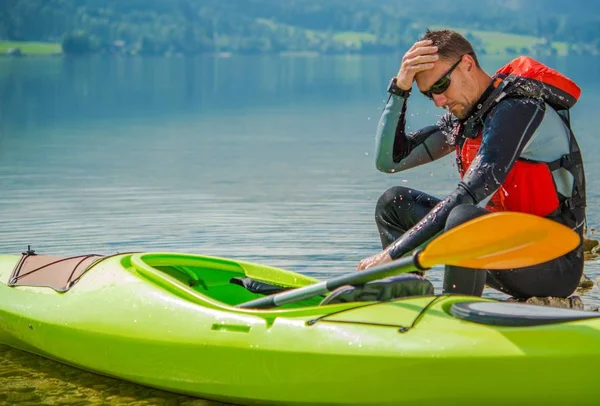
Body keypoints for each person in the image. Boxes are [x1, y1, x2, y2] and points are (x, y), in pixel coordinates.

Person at [356, 29, 586, 299]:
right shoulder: (467, 118)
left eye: (441, 86)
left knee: (463, 217)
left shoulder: (519, 108)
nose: (439, 101)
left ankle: (459, 312)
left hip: (552, 264)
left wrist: (391, 254)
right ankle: (407, 298)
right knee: (393, 203)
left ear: (467, 64)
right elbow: (389, 161)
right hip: (505, 250)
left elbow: (469, 193)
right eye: (430, 95)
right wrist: (400, 88)